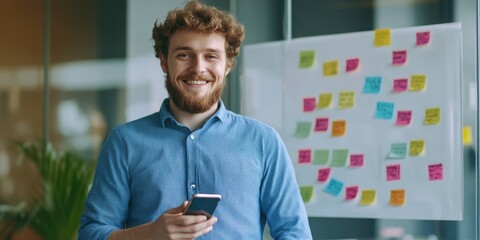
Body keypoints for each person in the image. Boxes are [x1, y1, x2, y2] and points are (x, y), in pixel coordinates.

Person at [78, 1, 312, 239]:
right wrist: (150, 233)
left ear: (228, 65)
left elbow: (294, 232)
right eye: (184, 55)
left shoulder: (263, 141)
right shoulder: (124, 142)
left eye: (211, 56)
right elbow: (91, 233)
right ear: (163, 61)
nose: (198, 68)